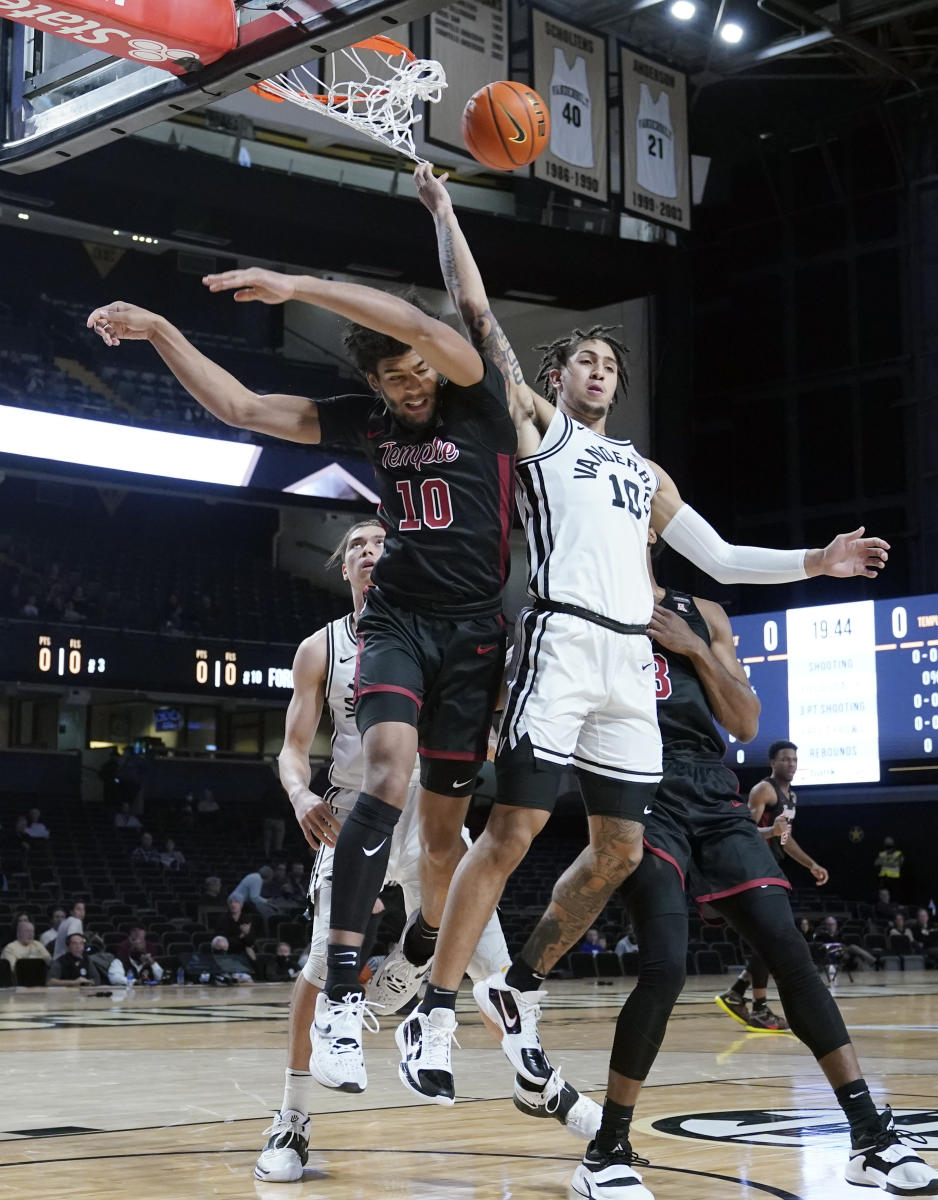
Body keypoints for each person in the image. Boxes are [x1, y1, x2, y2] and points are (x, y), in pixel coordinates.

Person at [395, 163, 890, 1109]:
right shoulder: (541, 433)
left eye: (612, 364)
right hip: (563, 642)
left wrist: (815, 564)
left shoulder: (644, 471)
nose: (601, 369)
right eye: (586, 359)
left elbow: (726, 558)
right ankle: (437, 1003)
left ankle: (517, 979)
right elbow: (476, 314)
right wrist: (446, 210)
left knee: (620, 846)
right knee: (513, 832)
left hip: (632, 660)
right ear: (554, 377)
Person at [89, 267, 515, 1095]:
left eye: (415, 371)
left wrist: (295, 287)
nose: (410, 386)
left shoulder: (474, 394)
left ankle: (426, 976)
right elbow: (244, 409)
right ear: (374, 385)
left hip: (474, 631)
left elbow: (416, 325)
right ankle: (343, 1002)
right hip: (400, 621)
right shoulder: (370, 421)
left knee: (441, 840)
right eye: (392, 379)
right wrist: (162, 330)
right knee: (384, 775)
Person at [539, 532, 938, 1199]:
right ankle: (607, 1149)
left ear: (645, 526)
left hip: (712, 792)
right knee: (665, 965)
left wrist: (694, 648)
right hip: (640, 789)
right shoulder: (581, 613)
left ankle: (870, 1137)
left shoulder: (705, 614)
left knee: (789, 950)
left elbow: (748, 721)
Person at [255, 520, 521, 1184]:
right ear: (342, 569)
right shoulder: (321, 647)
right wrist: (298, 795)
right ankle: (291, 1117)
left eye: (382, 546)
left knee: (497, 971)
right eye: (357, 549)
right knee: (321, 969)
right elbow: (291, 750)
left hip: (431, 810)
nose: (371, 554)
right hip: (353, 810)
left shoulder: (434, 636)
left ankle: (547, 1083)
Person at [716, 741, 828, 1032]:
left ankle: (738, 993)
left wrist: (810, 864)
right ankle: (758, 1005)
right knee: (774, 936)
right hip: (753, 869)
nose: (791, 763)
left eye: (794, 759)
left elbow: (784, 839)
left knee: (771, 937)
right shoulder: (763, 790)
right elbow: (745, 831)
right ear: (773, 762)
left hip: (770, 868)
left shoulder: (791, 797)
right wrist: (772, 831)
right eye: (785, 759)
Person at [875, 835, 905, 901]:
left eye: (889, 843)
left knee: (894, 898)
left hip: (894, 880)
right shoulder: (882, 854)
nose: (888, 845)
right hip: (883, 879)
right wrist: (890, 862)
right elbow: (876, 863)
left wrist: (885, 862)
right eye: (887, 843)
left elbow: (899, 864)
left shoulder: (898, 854)